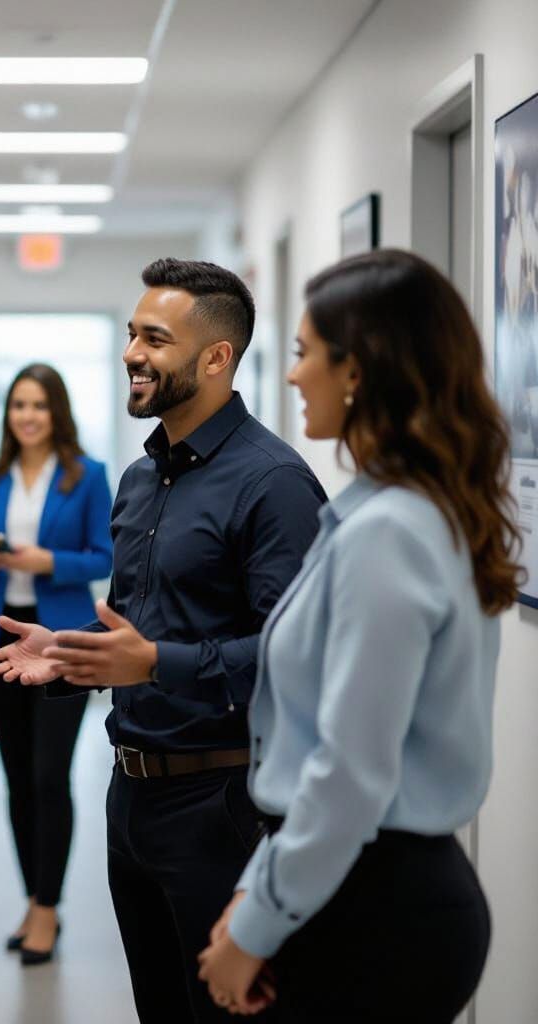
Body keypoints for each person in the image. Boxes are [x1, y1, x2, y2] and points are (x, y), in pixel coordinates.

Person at [0, 258, 326, 1022]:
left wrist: (155, 664)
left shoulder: (273, 483)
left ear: (216, 357)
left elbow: (299, 658)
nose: (132, 353)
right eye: (133, 335)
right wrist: (69, 654)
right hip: (131, 798)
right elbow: (139, 628)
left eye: (155, 339)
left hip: (223, 805)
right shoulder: (141, 480)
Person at [197, 249, 519, 1022]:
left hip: (375, 909)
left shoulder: (389, 533)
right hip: (352, 884)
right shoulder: (404, 512)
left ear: (357, 370)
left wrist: (256, 925)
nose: (291, 374)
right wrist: (258, 891)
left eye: (305, 352)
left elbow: (349, 773)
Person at [0, 363, 113, 963]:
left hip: (61, 644)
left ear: (58, 414)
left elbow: (103, 557)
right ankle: (32, 899)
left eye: (39, 405)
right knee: (19, 781)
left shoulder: (87, 475)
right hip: (0, 642)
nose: (28, 416)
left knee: (51, 778)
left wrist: (45, 560)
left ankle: (49, 908)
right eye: (19, 405)